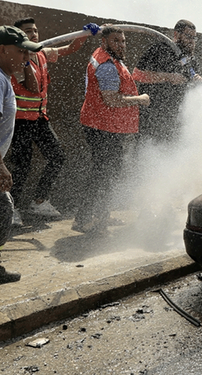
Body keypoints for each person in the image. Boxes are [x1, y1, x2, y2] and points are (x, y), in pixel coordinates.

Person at [9, 18, 93, 226]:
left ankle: (39, 201)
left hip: (39, 119)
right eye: (28, 31)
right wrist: (27, 58)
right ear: (18, 36)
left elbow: (69, 48)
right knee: (21, 166)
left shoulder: (42, 53)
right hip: (20, 121)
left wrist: (84, 34)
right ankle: (12, 209)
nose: (34, 34)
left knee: (57, 156)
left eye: (35, 30)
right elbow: (33, 88)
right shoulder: (16, 60)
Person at [72, 26, 150, 233]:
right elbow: (112, 99)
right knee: (101, 174)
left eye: (123, 41)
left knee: (108, 172)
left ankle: (101, 215)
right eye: (116, 41)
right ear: (104, 42)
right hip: (102, 127)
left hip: (103, 124)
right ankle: (84, 219)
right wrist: (140, 100)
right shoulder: (107, 65)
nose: (122, 45)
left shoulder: (107, 56)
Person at [0, 25, 42, 284]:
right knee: (0, 210)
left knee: (0, 210)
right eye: (21, 52)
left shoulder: (0, 76)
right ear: (4, 49)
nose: (26, 58)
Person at [132, 19, 202, 145]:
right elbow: (137, 74)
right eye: (188, 36)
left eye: (194, 38)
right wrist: (168, 77)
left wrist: (198, 82)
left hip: (174, 122)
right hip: (150, 118)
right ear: (176, 34)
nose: (191, 41)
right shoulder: (159, 49)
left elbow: (190, 87)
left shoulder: (191, 60)